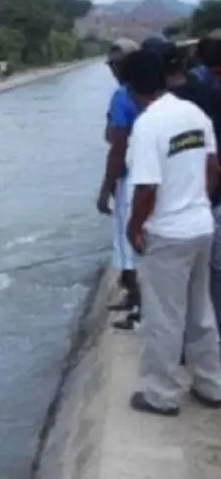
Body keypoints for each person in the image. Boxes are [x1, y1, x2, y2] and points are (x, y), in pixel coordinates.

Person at [120, 48, 221, 416]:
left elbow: (146, 189)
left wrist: (134, 228)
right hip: (201, 227)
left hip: (167, 236)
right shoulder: (193, 113)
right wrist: (197, 201)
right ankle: (211, 384)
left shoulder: (148, 125)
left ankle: (160, 395)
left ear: (130, 87)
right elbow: (213, 167)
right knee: (201, 312)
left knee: (163, 317)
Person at [98, 38, 142, 330]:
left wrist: (105, 189)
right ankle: (134, 300)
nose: (113, 70)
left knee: (130, 244)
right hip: (149, 177)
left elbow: (117, 146)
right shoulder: (156, 94)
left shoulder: (122, 96)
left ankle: (137, 307)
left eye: (115, 65)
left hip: (130, 178)